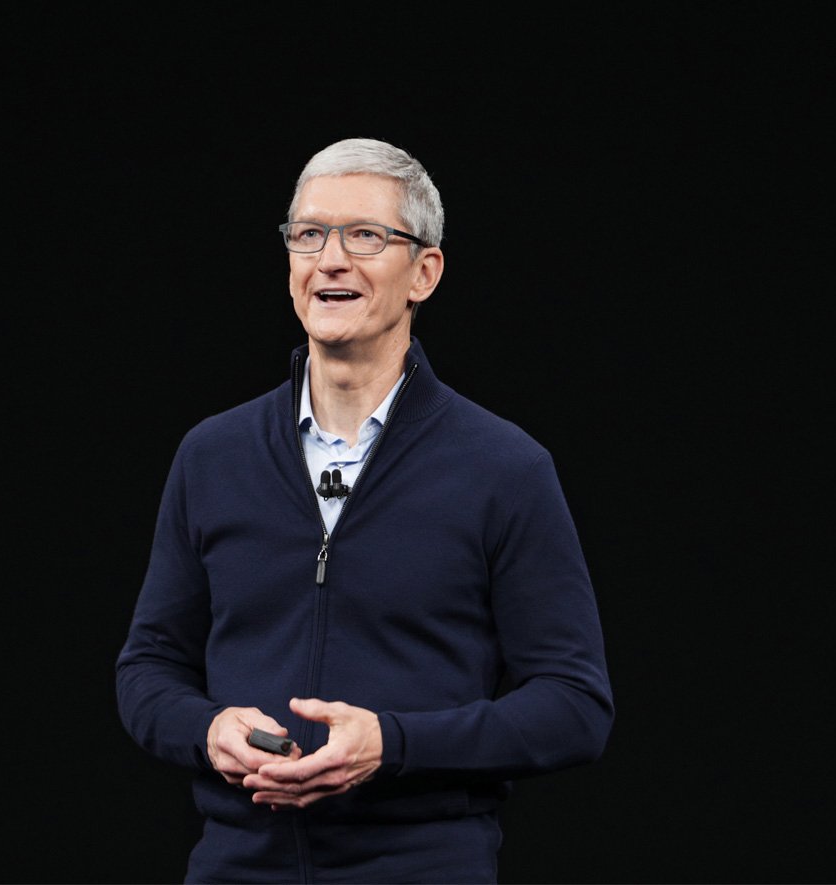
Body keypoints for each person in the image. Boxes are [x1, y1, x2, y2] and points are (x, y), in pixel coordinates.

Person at [116, 137, 613, 883]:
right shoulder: (212, 455)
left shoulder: (505, 469)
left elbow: (575, 707)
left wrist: (392, 743)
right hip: (236, 867)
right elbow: (148, 667)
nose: (331, 259)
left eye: (365, 236)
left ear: (424, 272)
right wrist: (207, 729)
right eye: (309, 234)